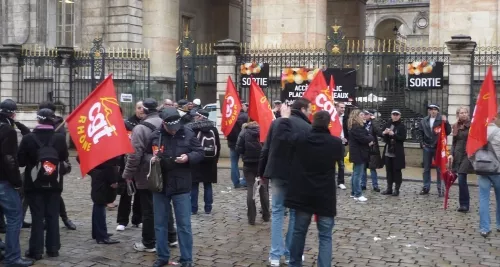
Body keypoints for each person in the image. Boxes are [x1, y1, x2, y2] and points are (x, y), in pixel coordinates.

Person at [276, 107, 343, 267]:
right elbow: (340, 156)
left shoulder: (301, 139)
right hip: (325, 197)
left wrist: (285, 118)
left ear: (312, 121)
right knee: (325, 236)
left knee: (299, 233)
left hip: (303, 195)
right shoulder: (335, 143)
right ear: (328, 124)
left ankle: (294, 263)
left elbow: (282, 137)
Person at [148, 107, 204, 267]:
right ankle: (162, 257)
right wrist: (150, 160)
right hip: (160, 185)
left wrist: (188, 157)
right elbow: (144, 154)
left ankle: (187, 259)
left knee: (184, 225)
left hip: (181, 185)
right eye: (170, 128)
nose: (173, 131)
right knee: (160, 224)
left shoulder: (187, 133)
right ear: (164, 124)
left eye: (175, 128)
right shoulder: (155, 136)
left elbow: (200, 152)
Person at [259, 98, 312, 267]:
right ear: (303, 109)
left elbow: (266, 148)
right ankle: (290, 253)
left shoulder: (278, 123)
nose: (311, 112)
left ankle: (275, 255)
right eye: (309, 109)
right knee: (295, 214)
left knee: (277, 213)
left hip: (277, 173)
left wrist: (262, 172)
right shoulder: (308, 127)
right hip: (297, 175)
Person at [122, 98, 178, 252]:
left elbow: (134, 155)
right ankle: (171, 237)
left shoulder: (140, 129)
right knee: (166, 205)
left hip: (148, 172)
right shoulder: (165, 123)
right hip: (167, 169)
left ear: (145, 110)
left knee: (148, 209)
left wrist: (127, 174)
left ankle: (149, 242)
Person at [18, 108, 69, 261]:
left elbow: (20, 161)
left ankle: (36, 250)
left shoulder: (28, 138)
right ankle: (53, 249)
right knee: (53, 215)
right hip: (54, 183)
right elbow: (64, 158)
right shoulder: (59, 138)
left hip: (33, 184)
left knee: (37, 216)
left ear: (38, 120)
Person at [0, 99, 34, 267]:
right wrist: (16, 182)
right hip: (3, 181)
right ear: (12, 114)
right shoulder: (8, 131)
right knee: (14, 217)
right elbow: (9, 159)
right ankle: (12, 257)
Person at [37, 101, 76, 230]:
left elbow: (62, 151)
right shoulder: (39, 128)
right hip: (38, 167)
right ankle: (41, 219)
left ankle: (64, 218)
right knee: (38, 194)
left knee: (55, 193)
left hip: (54, 166)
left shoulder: (59, 126)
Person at [77, 156, 120, 245]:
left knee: (98, 204)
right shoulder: (106, 150)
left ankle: (97, 232)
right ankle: (101, 236)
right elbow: (109, 166)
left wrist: (92, 172)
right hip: (103, 178)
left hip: (99, 176)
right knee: (100, 204)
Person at [186, 109, 220, 215]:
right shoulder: (213, 129)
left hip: (196, 161)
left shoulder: (193, 128)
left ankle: (193, 208)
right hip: (210, 161)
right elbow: (217, 146)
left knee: (194, 185)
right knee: (208, 185)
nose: (195, 117)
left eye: (196, 116)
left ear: (201, 117)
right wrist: (215, 159)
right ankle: (208, 208)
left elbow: (190, 145)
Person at [116, 101, 144, 231]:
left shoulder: (147, 124)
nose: (141, 110)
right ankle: (122, 221)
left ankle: (138, 219)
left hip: (142, 164)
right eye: (139, 108)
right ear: (135, 109)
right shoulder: (127, 124)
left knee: (140, 193)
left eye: (143, 108)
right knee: (126, 193)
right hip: (127, 161)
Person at [236, 120, 269, 225]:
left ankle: (251, 218)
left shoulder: (244, 132)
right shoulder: (264, 131)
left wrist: (245, 155)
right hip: (262, 165)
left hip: (248, 165)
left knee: (251, 188)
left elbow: (238, 149)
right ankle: (266, 215)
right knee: (263, 189)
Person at [419, 104, 451, 196]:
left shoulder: (441, 120)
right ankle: (426, 187)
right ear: (428, 111)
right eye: (431, 109)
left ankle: (440, 189)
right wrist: (422, 144)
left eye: (434, 110)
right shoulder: (424, 120)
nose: (433, 111)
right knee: (426, 169)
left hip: (438, 147)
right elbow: (420, 132)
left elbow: (448, 132)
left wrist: (446, 122)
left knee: (439, 169)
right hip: (427, 147)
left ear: (438, 111)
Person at [477, 111, 500, 237]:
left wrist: (476, 163)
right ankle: (499, 224)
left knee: (483, 199)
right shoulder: (499, 132)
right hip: (497, 170)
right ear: (494, 118)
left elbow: (471, 151)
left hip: (482, 168)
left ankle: (484, 228)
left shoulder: (478, 133)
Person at [348, 109, 373, 202]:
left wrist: (369, 138)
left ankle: (354, 192)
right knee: (358, 174)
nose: (363, 116)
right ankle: (357, 194)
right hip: (359, 153)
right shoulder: (357, 127)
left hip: (358, 152)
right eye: (361, 115)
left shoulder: (358, 127)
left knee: (355, 173)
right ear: (356, 117)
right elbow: (365, 138)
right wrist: (370, 138)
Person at [381, 109, 407, 196]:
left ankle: (396, 189)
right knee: (389, 170)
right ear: (391, 115)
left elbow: (403, 138)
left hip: (397, 152)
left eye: (397, 115)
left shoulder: (401, 126)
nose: (395, 116)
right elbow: (382, 135)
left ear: (399, 116)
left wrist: (393, 134)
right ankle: (389, 188)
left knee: (397, 171)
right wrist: (385, 133)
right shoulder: (388, 124)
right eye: (393, 114)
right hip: (388, 150)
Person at [450, 106, 471, 212]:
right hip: (458, 154)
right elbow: (453, 142)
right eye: (461, 113)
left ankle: (465, 204)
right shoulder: (455, 126)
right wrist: (451, 154)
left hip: (468, 154)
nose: (463, 114)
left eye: (465, 112)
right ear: (458, 114)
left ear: (468, 114)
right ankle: (462, 203)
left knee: (462, 177)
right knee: (461, 179)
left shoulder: (472, 125)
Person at [226, 103, 249, 189]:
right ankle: (244, 181)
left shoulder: (230, 117)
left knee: (234, 163)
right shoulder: (246, 116)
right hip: (243, 143)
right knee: (246, 162)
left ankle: (236, 182)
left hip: (232, 143)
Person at [361, 109, 383, 192]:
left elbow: (379, 132)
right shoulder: (362, 123)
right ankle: (363, 184)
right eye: (364, 114)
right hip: (363, 148)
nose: (365, 116)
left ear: (370, 115)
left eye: (367, 114)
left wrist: (374, 120)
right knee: (363, 167)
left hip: (372, 149)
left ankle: (375, 185)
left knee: (372, 168)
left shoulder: (373, 124)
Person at [335, 102, 348, 190]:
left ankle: (341, 182)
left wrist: (346, 138)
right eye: (341, 107)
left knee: (341, 164)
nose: (343, 109)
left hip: (341, 143)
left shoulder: (345, 118)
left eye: (344, 108)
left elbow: (347, 129)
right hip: (332, 142)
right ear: (336, 107)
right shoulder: (332, 117)